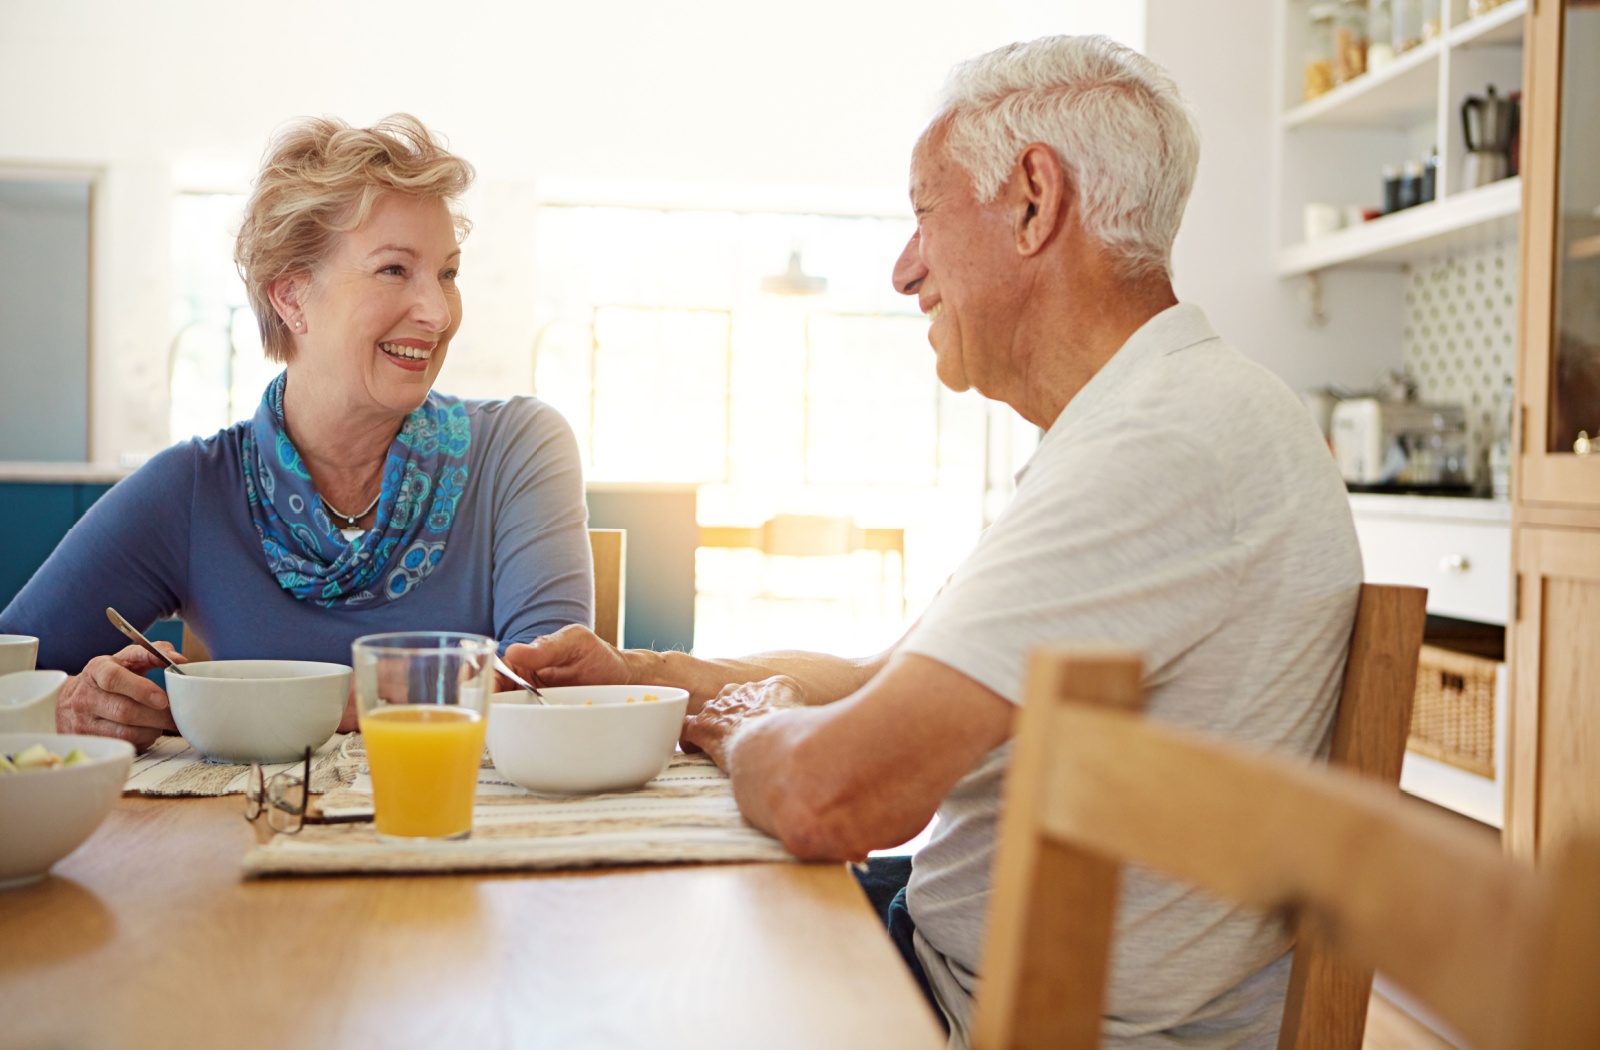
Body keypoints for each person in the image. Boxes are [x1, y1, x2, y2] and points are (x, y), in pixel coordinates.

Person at [506, 36, 1362, 1049]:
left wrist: (748, 728)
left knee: (581, 984)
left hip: (991, 1018)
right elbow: (884, 674)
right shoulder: (1155, 416)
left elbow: (830, 796)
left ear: (1035, 201)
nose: (904, 268)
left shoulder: (1165, 440)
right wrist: (645, 674)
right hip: (953, 966)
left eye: (923, 214)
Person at [0, 114, 593, 749]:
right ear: (291, 298)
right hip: (251, 837)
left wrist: (230, 702)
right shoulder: (193, 489)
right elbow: (12, 675)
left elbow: (544, 689)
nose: (438, 311)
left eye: (447, 272)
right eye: (395, 270)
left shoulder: (522, 449)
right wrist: (67, 704)